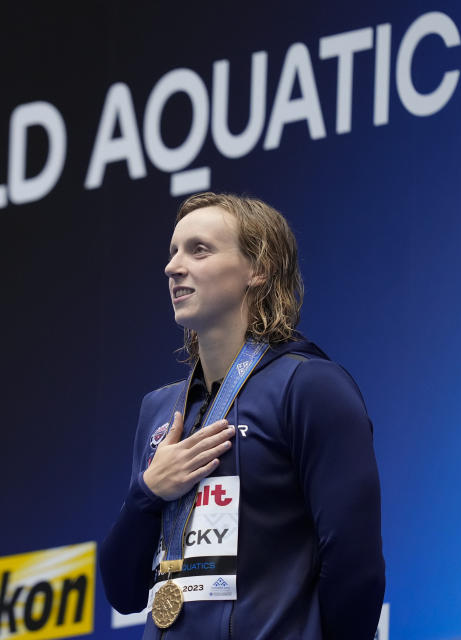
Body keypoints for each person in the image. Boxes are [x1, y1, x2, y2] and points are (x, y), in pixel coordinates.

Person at [100, 192, 384, 639]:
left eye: (199, 250)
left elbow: (354, 563)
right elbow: (124, 592)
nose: (173, 267)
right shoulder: (159, 411)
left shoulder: (310, 387)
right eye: (173, 252)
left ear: (258, 269)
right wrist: (147, 493)